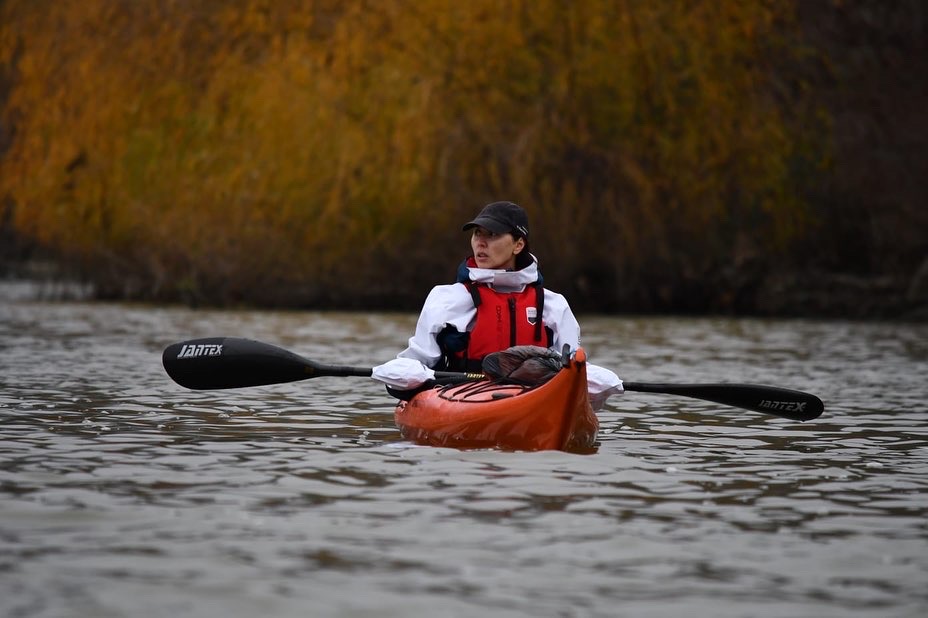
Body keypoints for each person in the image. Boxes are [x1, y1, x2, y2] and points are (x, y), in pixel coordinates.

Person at [372, 201, 623, 410]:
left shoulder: (553, 305)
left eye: (492, 234)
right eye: (477, 234)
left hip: (536, 397)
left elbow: (572, 370)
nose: (481, 242)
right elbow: (419, 361)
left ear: (518, 244)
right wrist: (405, 375)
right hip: (460, 396)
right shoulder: (446, 298)